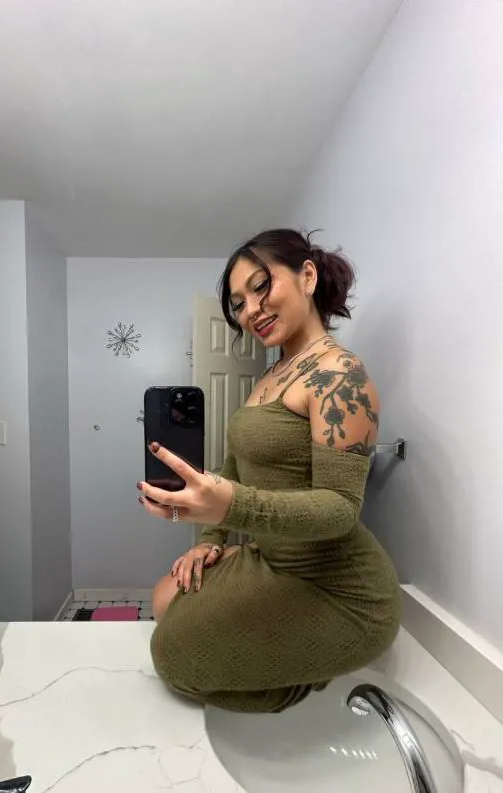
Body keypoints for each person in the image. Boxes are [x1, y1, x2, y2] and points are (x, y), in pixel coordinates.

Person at [137, 228, 401, 713]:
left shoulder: (340, 375)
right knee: (163, 598)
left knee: (171, 656)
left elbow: (341, 509)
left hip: (340, 590)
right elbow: (235, 467)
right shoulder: (273, 374)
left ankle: (306, 684)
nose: (250, 310)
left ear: (307, 276)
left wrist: (231, 506)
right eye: (238, 303)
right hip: (276, 558)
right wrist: (210, 540)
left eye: (261, 286)